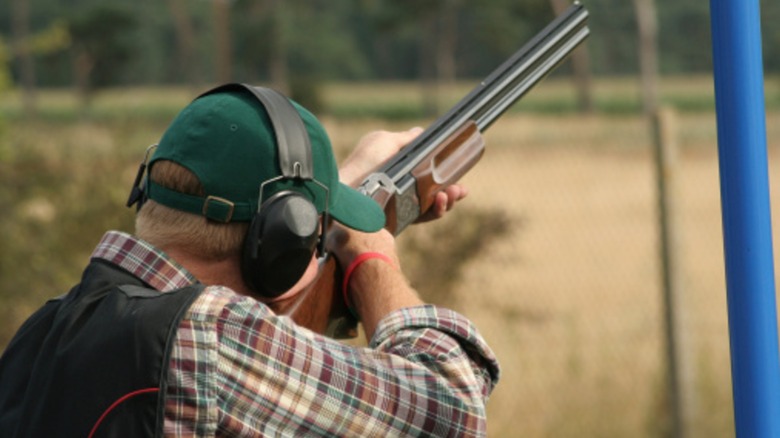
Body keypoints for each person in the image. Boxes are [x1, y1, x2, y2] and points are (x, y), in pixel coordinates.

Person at [0, 83, 500, 437]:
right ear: (276, 250)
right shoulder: (210, 335)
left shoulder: (45, 332)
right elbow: (451, 410)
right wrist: (372, 258)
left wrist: (329, 196)